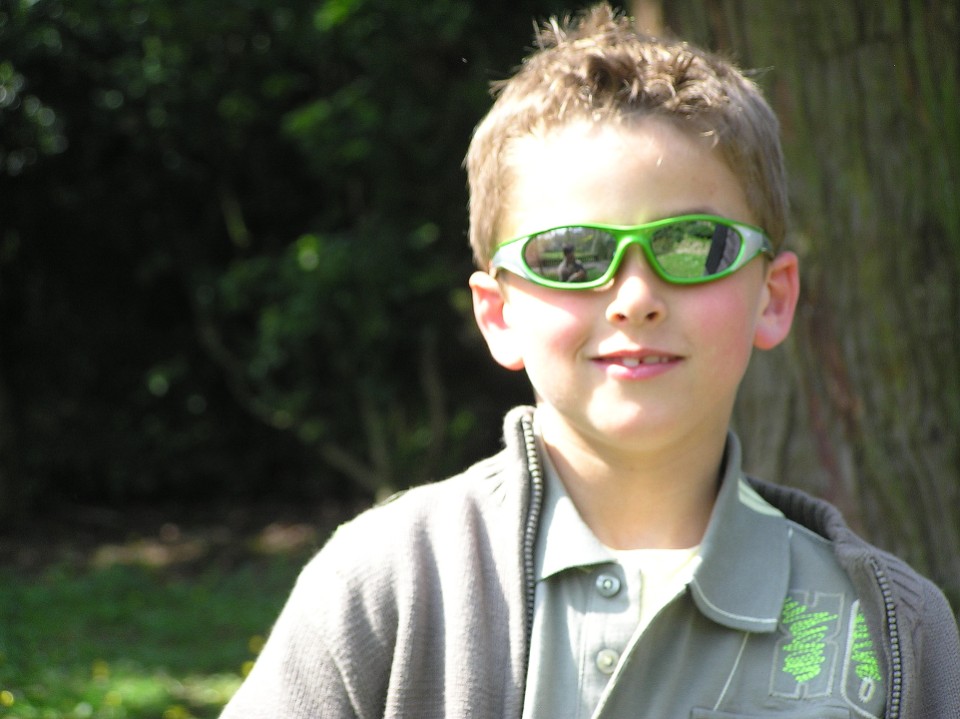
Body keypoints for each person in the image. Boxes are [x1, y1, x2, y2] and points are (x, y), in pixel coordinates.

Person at [220, 5, 960, 718]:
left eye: (693, 245)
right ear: (499, 314)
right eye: (569, 255)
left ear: (773, 297)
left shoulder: (893, 628)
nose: (635, 299)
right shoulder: (388, 584)